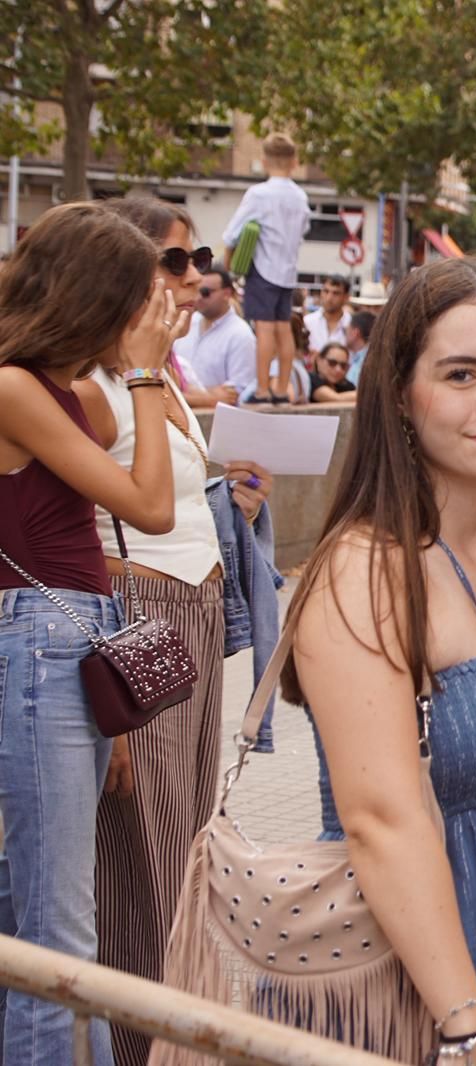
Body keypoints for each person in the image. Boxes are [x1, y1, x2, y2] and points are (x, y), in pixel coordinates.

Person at [284, 257, 476, 1065]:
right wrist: (467, 1023)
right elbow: (380, 818)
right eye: (461, 374)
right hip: (423, 988)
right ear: (397, 393)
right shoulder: (366, 570)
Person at [79, 196, 276, 1066]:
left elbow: (168, 494)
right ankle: (139, 1047)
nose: (191, 275)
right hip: (138, 615)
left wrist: (231, 497)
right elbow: (66, 526)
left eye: (194, 258)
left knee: (187, 839)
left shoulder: (154, 375)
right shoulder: (91, 383)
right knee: (141, 858)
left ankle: (168, 1036)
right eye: (172, 261)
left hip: (187, 615)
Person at [0, 202, 177, 1065]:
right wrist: (145, 372)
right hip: (39, 640)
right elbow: (149, 505)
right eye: (137, 301)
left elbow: (119, 440)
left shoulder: (64, 394)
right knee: (58, 930)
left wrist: (136, 368)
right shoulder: (12, 390)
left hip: (67, 643)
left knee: (30, 912)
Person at [223, 131, 310, 404]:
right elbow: (304, 229)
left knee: (263, 330)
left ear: (263, 161)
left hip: (262, 269)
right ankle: (282, 388)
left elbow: (231, 234)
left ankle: (262, 388)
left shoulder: (258, 194)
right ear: (294, 162)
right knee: (283, 328)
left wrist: (229, 264)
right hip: (287, 270)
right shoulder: (300, 197)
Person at [173, 266, 255, 409]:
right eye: (197, 290)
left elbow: (234, 394)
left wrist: (188, 393)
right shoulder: (186, 323)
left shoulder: (241, 334)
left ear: (227, 293)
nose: (198, 297)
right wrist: (209, 395)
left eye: (206, 292)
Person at [305, 275, 353, 355]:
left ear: (346, 297)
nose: (329, 298)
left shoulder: (351, 325)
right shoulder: (307, 322)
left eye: (336, 293)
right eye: (326, 291)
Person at [346, 309, 377, 384]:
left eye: (346, 330)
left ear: (355, 333)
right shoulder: (360, 358)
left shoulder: (366, 362)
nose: (345, 335)